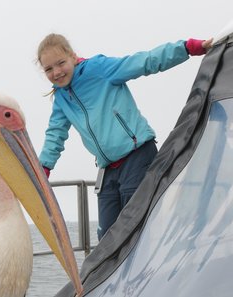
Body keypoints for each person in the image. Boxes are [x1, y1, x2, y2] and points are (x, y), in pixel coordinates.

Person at [36, 33, 213, 240]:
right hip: (108, 168)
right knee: (107, 236)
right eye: (48, 69)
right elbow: (55, 134)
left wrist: (188, 48)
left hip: (136, 156)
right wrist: (43, 168)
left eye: (61, 63)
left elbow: (143, 61)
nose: (56, 72)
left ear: (73, 57)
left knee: (135, 228)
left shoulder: (99, 69)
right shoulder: (60, 99)